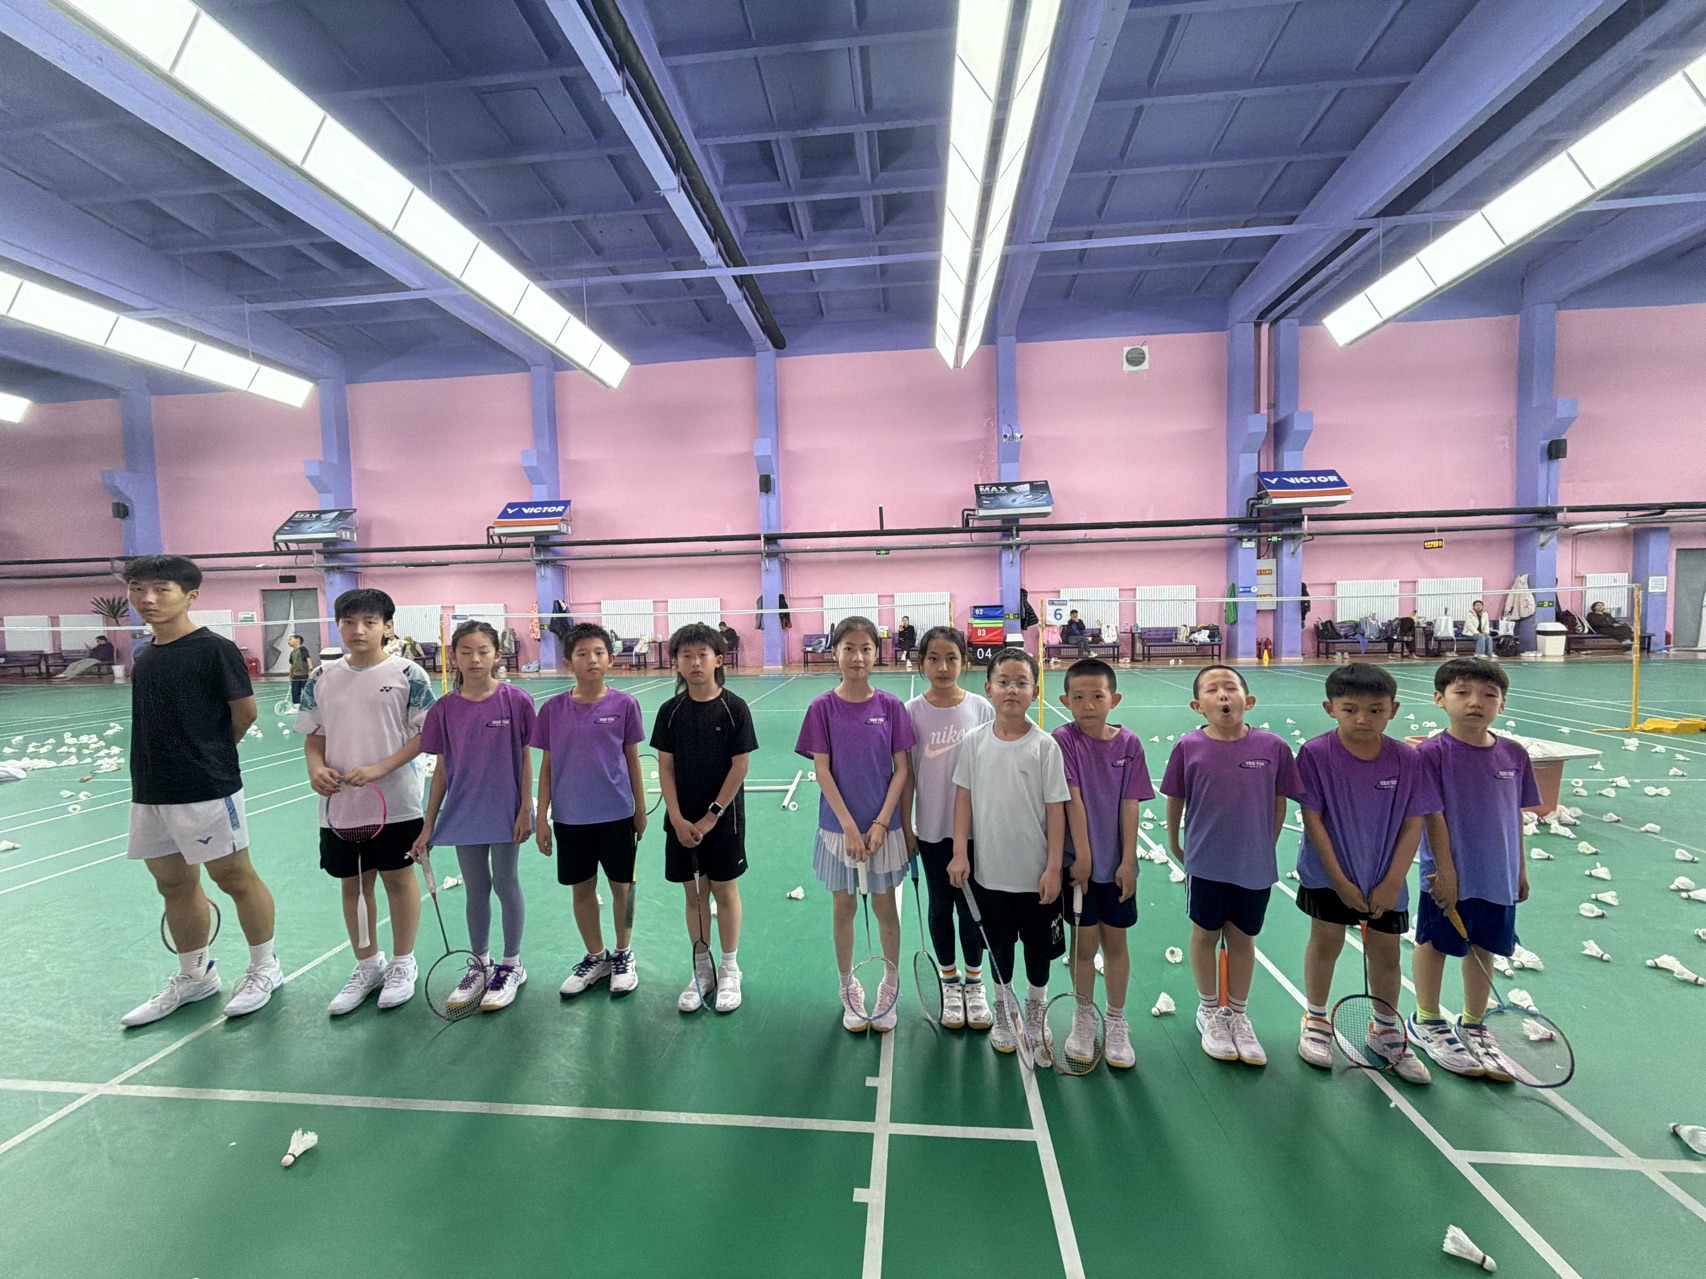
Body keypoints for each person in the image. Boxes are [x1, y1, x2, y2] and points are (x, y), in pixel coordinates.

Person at [118, 555, 281, 1026]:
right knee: (173, 883)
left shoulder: (215, 650)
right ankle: (195, 975)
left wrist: (209, 754)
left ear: (191, 596)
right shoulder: (145, 654)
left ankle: (265, 967)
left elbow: (245, 713)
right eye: (137, 588)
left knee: (234, 878)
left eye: (160, 589)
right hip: (151, 788)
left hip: (206, 787)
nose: (147, 598)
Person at [1292, 664, 1439, 1082]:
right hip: (1328, 877)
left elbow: (1414, 822)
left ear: (1393, 710)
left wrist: (1392, 882)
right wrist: (1340, 881)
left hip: (1384, 879)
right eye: (1350, 709)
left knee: (1387, 954)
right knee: (1326, 942)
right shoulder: (1316, 754)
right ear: (1330, 709)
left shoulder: (1407, 759)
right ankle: (1316, 1018)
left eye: (1375, 710)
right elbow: (1312, 820)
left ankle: (1386, 1030)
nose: (1362, 718)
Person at [297, 588, 436, 1015]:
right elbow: (314, 735)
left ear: (388, 627)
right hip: (339, 804)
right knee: (353, 884)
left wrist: (379, 768)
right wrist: (315, 768)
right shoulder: (322, 677)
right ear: (338, 625)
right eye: (349, 622)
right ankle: (367, 965)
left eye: (369, 622)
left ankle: (402, 962)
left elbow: (425, 735)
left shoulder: (409, 673)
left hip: (397, 801)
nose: (358, 630)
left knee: (398, 879)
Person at [1407, 658, 1541, 1081]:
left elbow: (1514, 815)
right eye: (1462, 693)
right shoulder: (1431, 754)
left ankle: (1474, 1024)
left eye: (1488, 695)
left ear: (1502, 704)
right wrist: (1445, 872)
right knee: (1434, 943)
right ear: (1439, 699)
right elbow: (1431, 815)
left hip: (1498, 876)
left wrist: (1519, 869)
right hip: (1448, 876)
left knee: (1485, 947)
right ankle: (1427, 1019)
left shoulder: (1513, 754)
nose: (1475, 702)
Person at [1162, 666, 1297, 1068]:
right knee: (1205, 934)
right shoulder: (1189, 746)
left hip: (1254, 865)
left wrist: (1266, 845)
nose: (1223, 695)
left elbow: (1279, 801)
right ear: (1197, 705)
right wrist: (1174, 841)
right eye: (1212, 690)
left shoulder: (1273, 747)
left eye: (1231, 688)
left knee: (1242, 937)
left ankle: (1237, 1014)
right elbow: (1175, 797)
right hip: (1206, 862)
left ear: (1248, 700)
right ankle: (1209, 1010)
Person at [795, 615, 915, 1032]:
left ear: (876, 654)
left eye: (866, 649)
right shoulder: (822, 708)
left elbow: (902, 770)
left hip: (883, 829)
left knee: (884, 907)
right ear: (835, 653)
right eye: (849, 648)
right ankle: (847, 985)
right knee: (843, 907)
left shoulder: (891, 706)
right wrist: (848, 826)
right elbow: (823, 771)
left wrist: (881, 823)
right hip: (838, 828)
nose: (858, 657)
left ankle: (890, 983)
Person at [947, 647, 1067, 1064]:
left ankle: (1035, 1008)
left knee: (1038, 950)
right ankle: (1003, 1007)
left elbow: (1056, 810)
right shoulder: (974, 742)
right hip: (989, 874)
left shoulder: (1046, 746)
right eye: (1003, 682)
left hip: (1036, 877)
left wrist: (1054, 867)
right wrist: (959, 852)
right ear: (989, 688)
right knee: (999, 947)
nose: (1012, 690)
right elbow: (963, 798)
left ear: (1035, 691)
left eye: (1021, 683)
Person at [412, 621, 536, 1014]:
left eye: (483, 650)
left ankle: (512, 964)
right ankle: (480, 964)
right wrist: (429, 824)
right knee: (475, 887)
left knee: (505, 882)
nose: (475, 659)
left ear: (497, 654)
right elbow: (441, 769)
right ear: (453, 656)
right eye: (466, 651)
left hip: (505, 810)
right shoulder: (444, 709)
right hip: (464, 811)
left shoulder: (516, 701)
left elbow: (527, 758)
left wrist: (525, 808)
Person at [533, 623, 647, 999]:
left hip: (617, 814)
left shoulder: (625, 705)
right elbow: (547, 766)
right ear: (569, 663)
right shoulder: (552, 709)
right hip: (570, 818)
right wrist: (541, 817)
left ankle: (623, 954)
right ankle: (596, 957)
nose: (592, 660)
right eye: (582, 654)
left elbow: (633, 760)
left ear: (610, 659)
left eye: (599, 652)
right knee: (581, 890)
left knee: (622, 889)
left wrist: (640, 809)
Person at [1053, 658, 1152, 1070]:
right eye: (1078, 697)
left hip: (1116, 869)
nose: (1088, 705)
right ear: (1065, 701)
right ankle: (1083, 1018)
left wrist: (1128, 861)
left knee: (1116, 944)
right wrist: (1084, 858)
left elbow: (1131, 805)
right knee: (1083, 946)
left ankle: (1115, 1019)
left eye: (1097, 696)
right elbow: (1072, 798)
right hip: (1079, 869)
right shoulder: (1063, 740)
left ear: (1115, 699)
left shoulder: (1129, 744)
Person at [653, 623, 758, 1013]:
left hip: (724, 821)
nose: (695, 662)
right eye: (686, 655)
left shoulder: (734, 708)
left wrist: (712, 816)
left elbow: (740, 767)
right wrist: (677, 818)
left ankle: (729, 968)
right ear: (676, 662)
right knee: (694, 895)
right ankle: (702, 969)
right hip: (681, 822)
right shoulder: (670, 712)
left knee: (724, 891)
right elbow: (665, 768)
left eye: (702, 655)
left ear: (718, 659)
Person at [900, 625, 994, 1031]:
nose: (942, 667)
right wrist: (907, 826)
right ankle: (950, 981)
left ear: (964, 661)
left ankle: (975, 983)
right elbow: (906, 775)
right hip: (932, 830)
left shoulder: (981, 708)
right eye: (934, 659)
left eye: (951, 658)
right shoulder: (911, 713)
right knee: (941, 905)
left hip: (977, 833)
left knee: (974, 910)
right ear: (922, 663)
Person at [286, 633, 311, 705]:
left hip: (304, 675)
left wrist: (310, 669)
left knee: (307, 692)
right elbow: (292, 664)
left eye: (290, 639)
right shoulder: (292, 653)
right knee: (295, 692)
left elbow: (308, 659)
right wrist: (290, 674)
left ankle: (310, 706)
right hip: (295, 676)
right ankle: (296, 706)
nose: (288, 641)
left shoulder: (302, 649)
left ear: (297, 640)